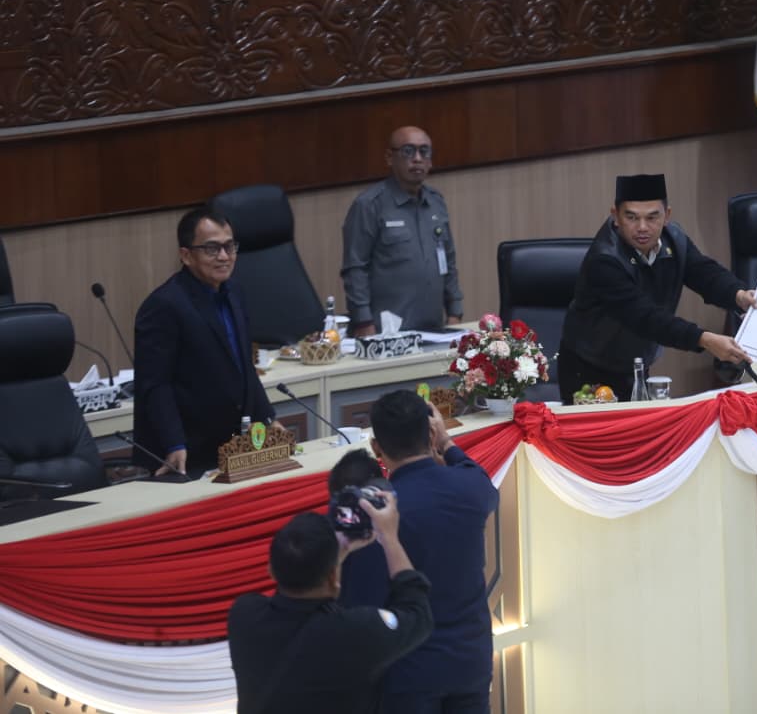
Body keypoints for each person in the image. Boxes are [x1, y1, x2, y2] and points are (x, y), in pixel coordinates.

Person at [340, 390, 499, 714]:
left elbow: (361, 605)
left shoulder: (374, 512)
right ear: (430, 433)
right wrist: (447, 443)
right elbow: (478, 477)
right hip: (470, 660)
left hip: (406, 673)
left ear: (376, 449)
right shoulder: (469, 487)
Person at [557, 173, 757, 402]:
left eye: (653, 217)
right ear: (615, 216)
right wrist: (705, 339)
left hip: (635, 363)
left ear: (667, 215)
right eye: (631, 217)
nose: (642, 227)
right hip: (589, 368)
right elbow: (646, 318)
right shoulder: (605, 259)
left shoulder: (675, 239)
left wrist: (738, 294)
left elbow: (704, 273)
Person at [227, 502, 434, 714]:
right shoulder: (356, 633)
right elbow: (417, 614)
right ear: (333, 577)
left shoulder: (243, 614)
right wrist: (389, 538)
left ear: (270, 570)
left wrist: (336, 557)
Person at [133, 206, 282, 476]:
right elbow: (155, 385)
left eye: (229, 246)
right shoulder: (163, 306)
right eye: (212, 249)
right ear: (186, 255)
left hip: (233, 445)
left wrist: (267, 419)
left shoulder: (235, 293)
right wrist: (173, 442)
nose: (224, 256)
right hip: (186, 452)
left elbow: (243, 367)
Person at [342, 126, 463, 336]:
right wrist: (364, 324)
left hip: (434, 329)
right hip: (385, 332)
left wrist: (455, 311)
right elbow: (355, 269)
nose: (417, 159)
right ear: (390, 157)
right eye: (408, 151)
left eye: (424, 152)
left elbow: (448, 261)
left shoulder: (436, 202)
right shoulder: (369, 205)